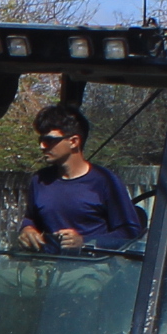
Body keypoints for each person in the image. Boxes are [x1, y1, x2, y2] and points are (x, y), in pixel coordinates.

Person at [15, 106, 145, 252]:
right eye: (40, 139)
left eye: (49, 140)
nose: (42, 146)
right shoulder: (39, 180)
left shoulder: (105, 181)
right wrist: (27, 229)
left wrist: (84, 242)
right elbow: (30, 219)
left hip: (91, 268)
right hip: (45, 265)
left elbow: (130, 232)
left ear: (74, 141)